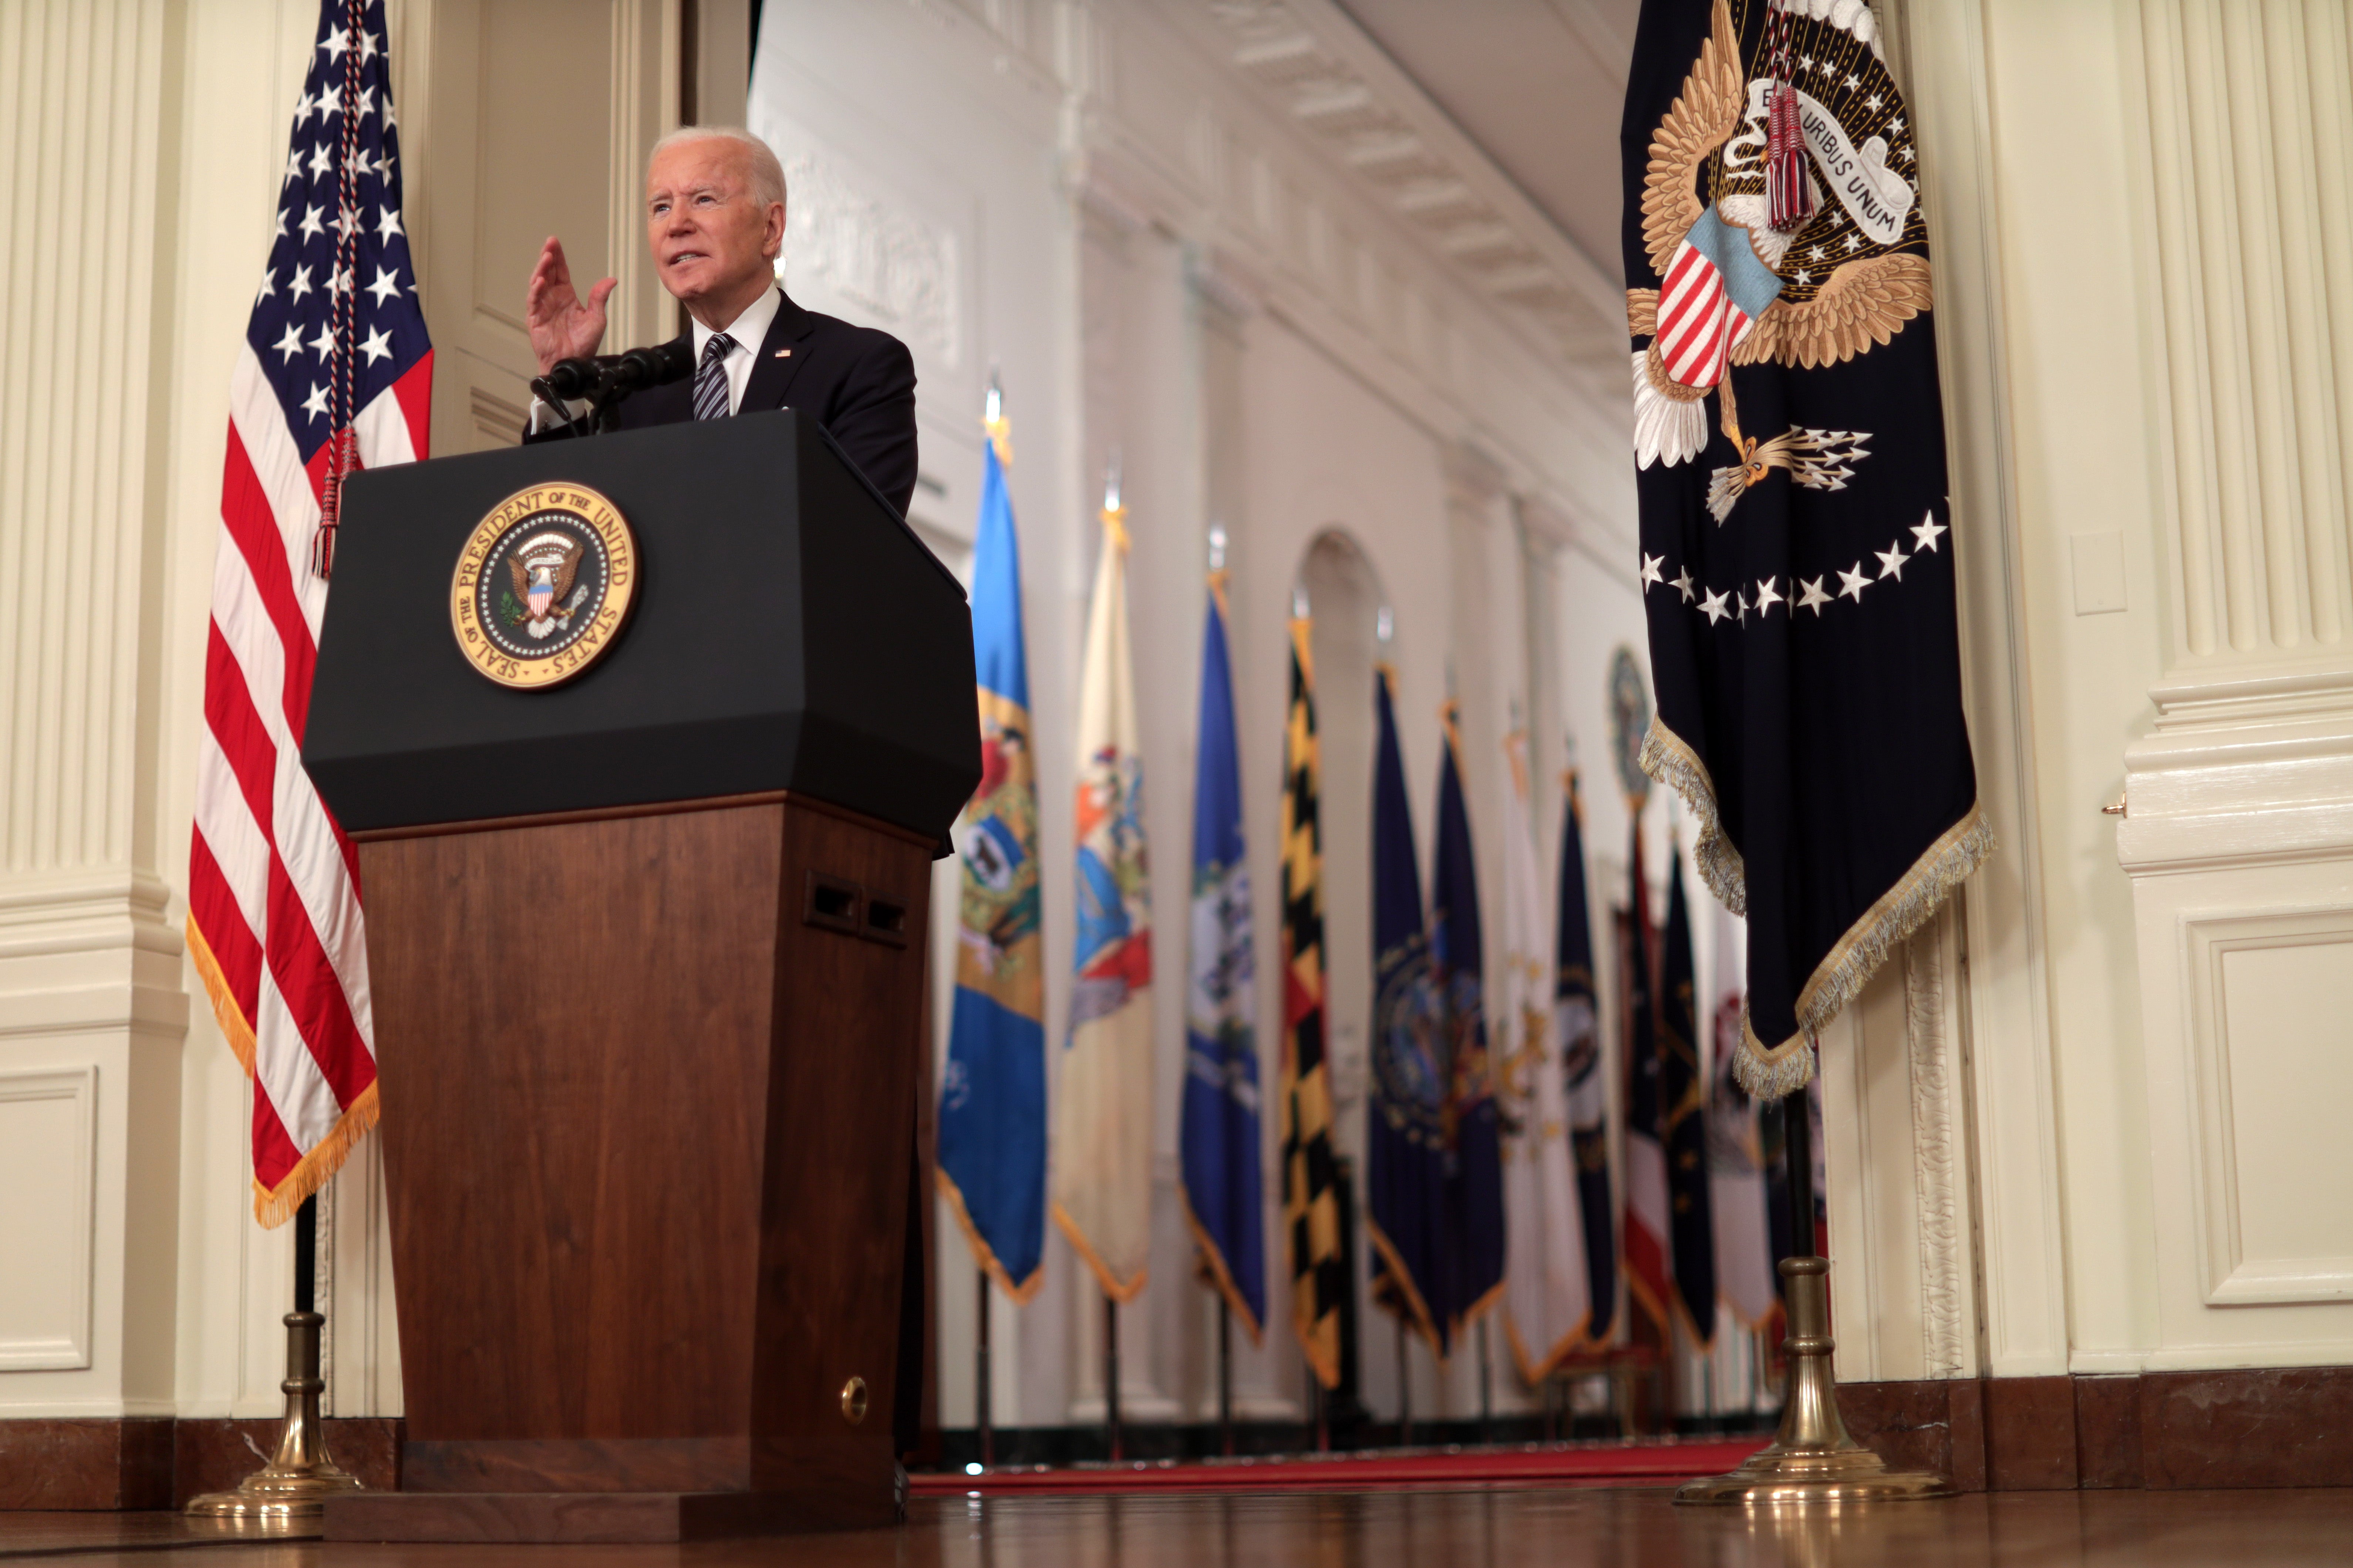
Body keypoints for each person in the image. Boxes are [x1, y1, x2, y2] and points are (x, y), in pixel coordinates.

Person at [522, 126, 918, 516]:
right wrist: (562, 379)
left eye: (704, 200)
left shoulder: (860, 365)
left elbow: (860, 532)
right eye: (661, 207)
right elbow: (563, 528)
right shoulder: (631, 387)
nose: (676, 224)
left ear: (771, 228)